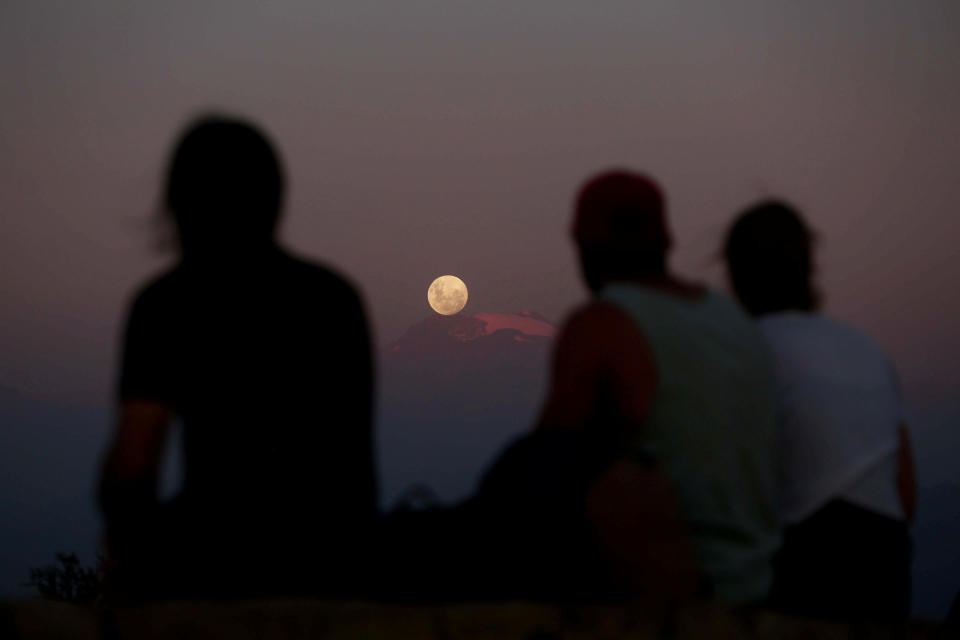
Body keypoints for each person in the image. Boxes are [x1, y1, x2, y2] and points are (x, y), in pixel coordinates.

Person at [98, 115, 377, 600]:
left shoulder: (166, 305)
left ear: (178, 204)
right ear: (274, 199)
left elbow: (133, 467)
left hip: (212, 566)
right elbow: (354, 470)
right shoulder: (334, 299)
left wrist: (129, 562)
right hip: (332, 564)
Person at [528, 170, 781, 605]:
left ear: (586, 249)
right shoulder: (736, 322)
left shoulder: (602, 324)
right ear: (666, 241)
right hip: (758, 582)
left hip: (680, 590)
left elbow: (541, 472)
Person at [723, 200, 916, 622]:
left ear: (736, 276)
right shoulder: (867, 350)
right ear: (808, 268)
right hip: (887, 567)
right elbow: (906, 492)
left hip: (804, 564)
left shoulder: (746, 349)